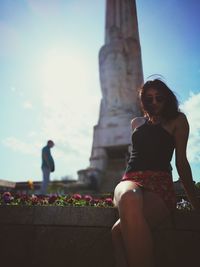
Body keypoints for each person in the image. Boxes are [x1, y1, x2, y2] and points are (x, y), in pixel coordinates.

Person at [112, 78, 200, 267]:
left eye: (159, 98)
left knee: (118, 233)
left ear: (167, 98)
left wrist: (196, 202)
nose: (154, 102)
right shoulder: (136, 123)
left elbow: (182, 162)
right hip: (131, 179)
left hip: (159, 182)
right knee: (128, 197)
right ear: (143, 102)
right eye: (149, 99)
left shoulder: (178, 120)